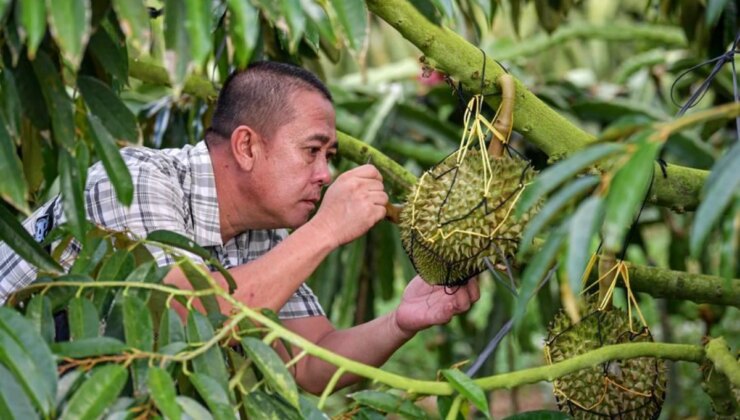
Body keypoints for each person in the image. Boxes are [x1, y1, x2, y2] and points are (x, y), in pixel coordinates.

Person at [0, 61, 479, 393]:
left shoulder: (261, 232)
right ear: (247, 147)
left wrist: (402, 320)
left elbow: (311, 362)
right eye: (312, 151)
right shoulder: (135, 179)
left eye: (329, 157)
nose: (324, 174)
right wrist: (327, 230)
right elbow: (182, 317)